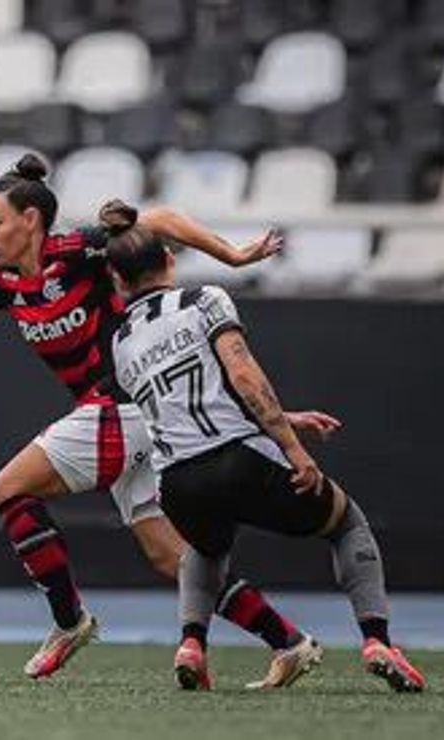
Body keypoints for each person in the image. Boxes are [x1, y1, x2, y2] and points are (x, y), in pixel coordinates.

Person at [0, 154, 332, 680]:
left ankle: (69, 621)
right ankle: (288, 642)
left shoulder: (77, 250)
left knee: (8, 488)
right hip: (127, 418)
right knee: (170, 557)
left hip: (122, 404)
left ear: (30, 219)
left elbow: (161, 220)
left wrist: (234, 256)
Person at [104, 203, 426, 692]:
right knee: (346, 523)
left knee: (204, 550)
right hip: (239, 459)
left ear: (117, 279)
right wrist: (294, 448)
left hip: (178, 482)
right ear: (169, 259)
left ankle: (191, 644)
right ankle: (377, 640)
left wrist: (286, 418)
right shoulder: (203, 300)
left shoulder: (121, 340)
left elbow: (182, 404)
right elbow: (243, 377)